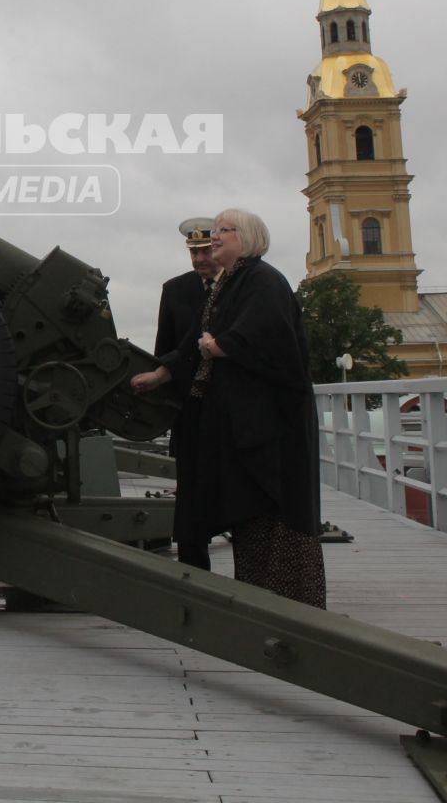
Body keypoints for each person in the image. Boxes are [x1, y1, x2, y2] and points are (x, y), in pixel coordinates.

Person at [132, 209, 326, 608]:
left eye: (224, 230)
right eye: (214, 232)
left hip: (269, 426)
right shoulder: (232, 284)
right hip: (242, 423)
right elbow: (190, 342)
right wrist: (159, 375)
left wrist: (218, 347)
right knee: (248, 512)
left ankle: (287, 602)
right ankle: (258, 596)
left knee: (272, 509)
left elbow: (261, 335)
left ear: (248, 237)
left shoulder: (262, 281)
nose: (214, 238)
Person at [145, 217, 218, 568]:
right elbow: (167, 346)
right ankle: (194, 565)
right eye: (194, 252)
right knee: (190, 490)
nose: (200, 259)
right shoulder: (175, 290)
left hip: (231, 404)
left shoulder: (236, 287)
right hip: (191, 406)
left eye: (205, 251)